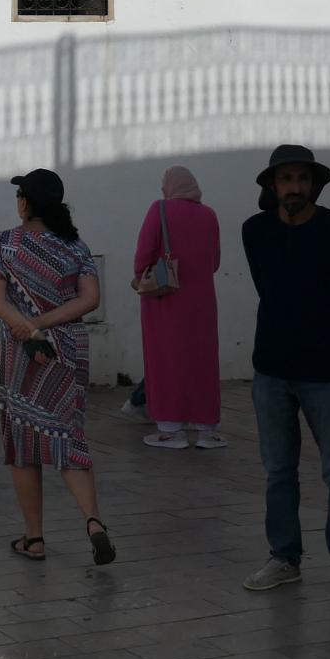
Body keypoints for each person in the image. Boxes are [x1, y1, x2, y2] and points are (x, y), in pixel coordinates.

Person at [241, 144, 330, 609]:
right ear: (272, 186)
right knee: (278, 471)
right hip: (271, 370)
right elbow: (268, 287)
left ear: (313, 184)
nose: (294, 187)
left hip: (327, 372)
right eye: (286, 179)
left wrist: (327, 337)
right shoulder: (255, 231)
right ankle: (284, 558)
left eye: (301, 179)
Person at [0, 169, 113, 566]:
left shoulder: (4, 244)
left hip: (24, 353)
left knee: (24, 444)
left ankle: (35, 539)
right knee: (69, 435)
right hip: (69, 349)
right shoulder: (76, 247)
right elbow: (90, 299)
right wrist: (45, 322)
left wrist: (28, 326)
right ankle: (93, 522)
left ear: (26, 203)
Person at [131, 165, 224, 449]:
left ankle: (171, 431)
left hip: (165, 298)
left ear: (169, 187)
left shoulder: (159, 209)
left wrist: (141, 277)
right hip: (202, 302)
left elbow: (143, 254)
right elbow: (215, 261)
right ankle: (206, 431)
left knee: (166, 360)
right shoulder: (209, 214)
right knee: (203, 361)